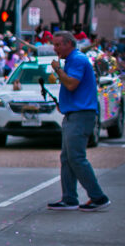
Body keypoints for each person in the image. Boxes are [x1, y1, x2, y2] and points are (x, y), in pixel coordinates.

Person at [47, 31, 110, 211]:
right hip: (74, 113)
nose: (55, 48)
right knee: (67, 158)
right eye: (54, 44)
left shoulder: (76, 60)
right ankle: (69, 198)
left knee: (76, 157)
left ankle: (98, 197)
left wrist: (57, 69)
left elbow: (71, 84)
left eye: (58, 44)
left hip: (81, 115)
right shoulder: (73, 60)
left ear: (69, 44)